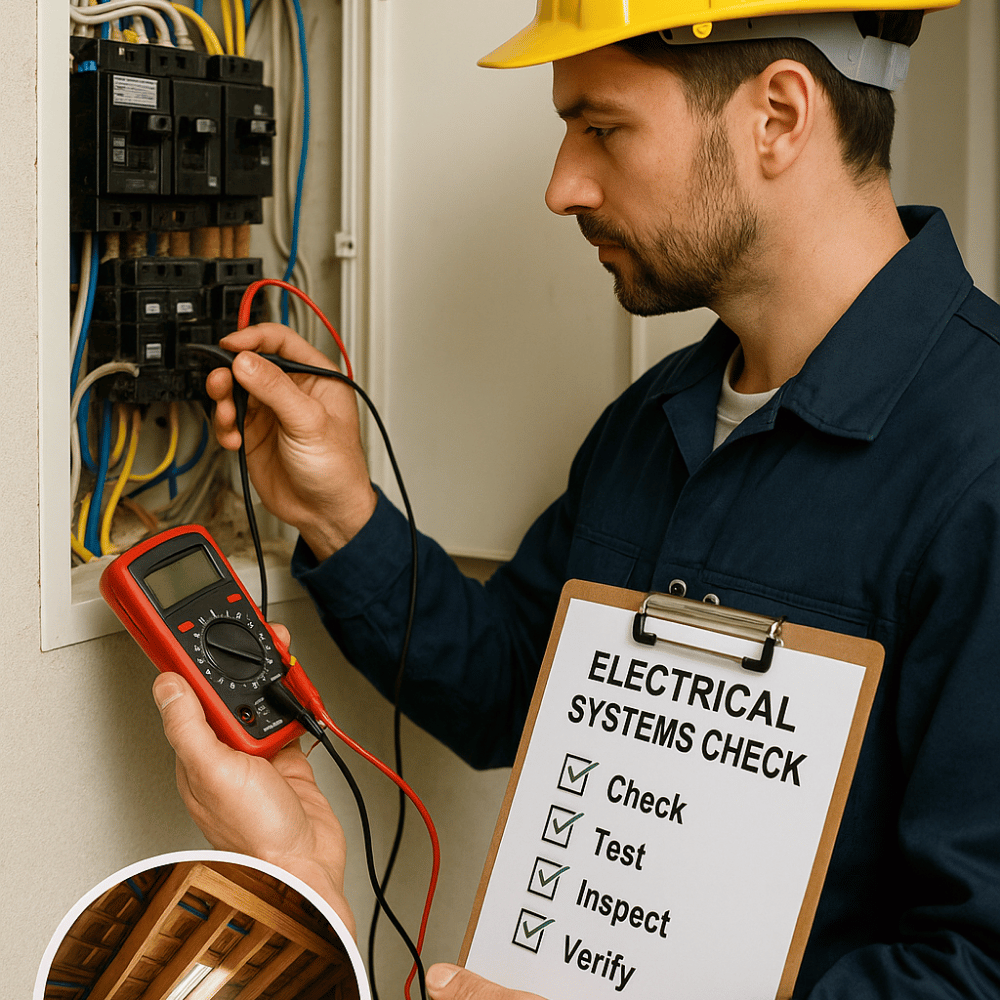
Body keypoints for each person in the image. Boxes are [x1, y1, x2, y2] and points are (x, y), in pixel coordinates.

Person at [155, 1, 1000, 997]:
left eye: (601, 128)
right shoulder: (659, 417)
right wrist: (339, 511)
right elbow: (517, 684)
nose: (563, 186)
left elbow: (975, 965)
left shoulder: (976, 463)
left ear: (776, 116)